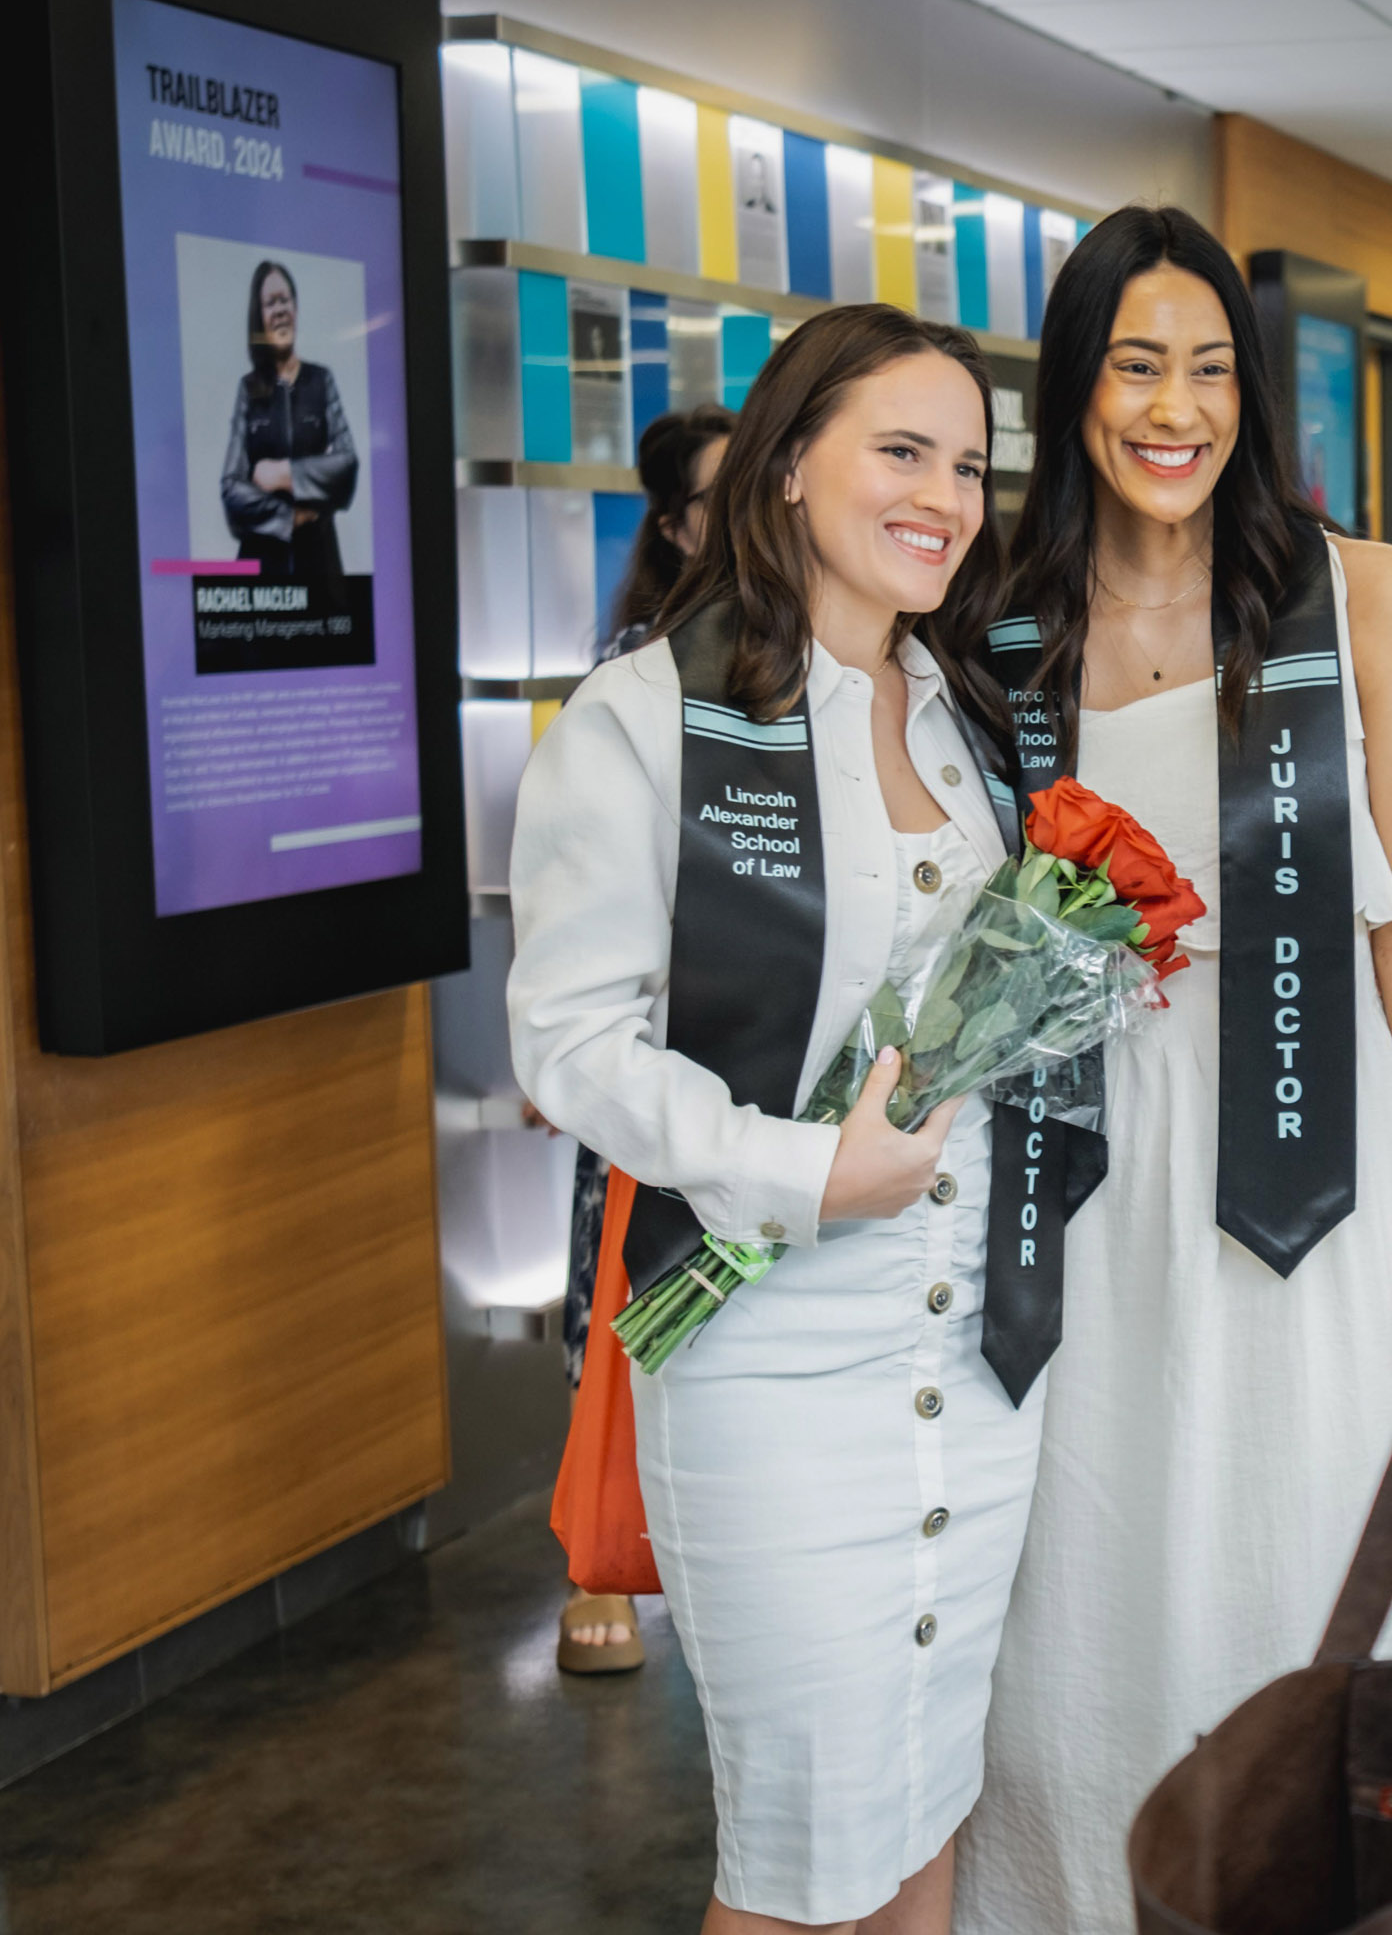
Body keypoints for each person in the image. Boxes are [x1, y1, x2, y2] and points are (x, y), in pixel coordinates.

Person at [953, 205, 1392, 1934]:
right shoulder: (995, 624)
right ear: (1071, 388)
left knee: (1303, 1543)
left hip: (1320, 1165)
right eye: (1132, 365)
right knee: (1081, 1580)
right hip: (1078, 1166)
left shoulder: (1363, 602)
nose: (1174, 408)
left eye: (1207, 369)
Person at [510, 305, 1027, 1935]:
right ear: (793, 462)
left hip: (985, 1361)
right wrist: (807, 1167)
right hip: (771, 1360)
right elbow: (573, 1045)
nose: (943, 494)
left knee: (933, 1818)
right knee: (805, 1857)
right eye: (902, 451)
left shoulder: (966, 713)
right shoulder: (645, 716)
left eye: (969, 465)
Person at [551, 400, 738, 1676]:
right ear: (673, 528)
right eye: (721, 496)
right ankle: (598, 1554)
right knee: (625, 1291)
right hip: (659, 1038)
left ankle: (705, 1532)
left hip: (775, 1059)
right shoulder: (636, 672)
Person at [219, 260, 356, 594]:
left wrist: (284, 474)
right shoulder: (248, 389)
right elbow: (231, 488)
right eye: (270, 303)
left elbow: (346, 464)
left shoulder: (321, 381)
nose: (279, 309)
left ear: (296, 307)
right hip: (263, 575)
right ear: (260, 316)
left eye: (285, 299)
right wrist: (288, 518)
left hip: (320, 568)